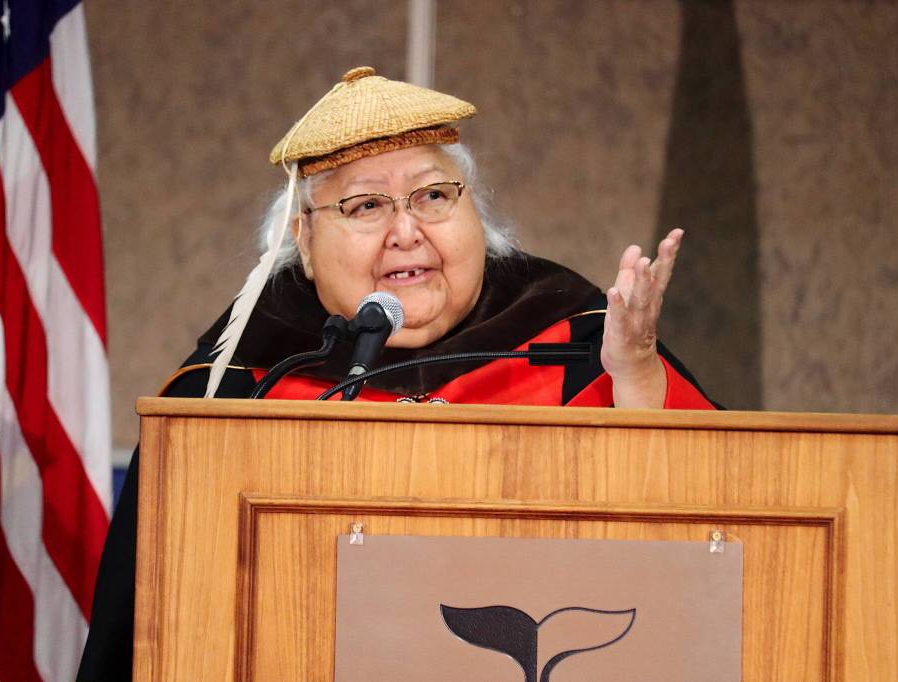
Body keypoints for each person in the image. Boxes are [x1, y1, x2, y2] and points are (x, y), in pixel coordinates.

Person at [77, 66, 716, 681]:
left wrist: (636, 375)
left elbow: (706, 548)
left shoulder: (577, 340)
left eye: (433, 196)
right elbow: (165, 625)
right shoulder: (237, 383)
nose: (406, 231)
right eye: (365, 206)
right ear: (304, 239)